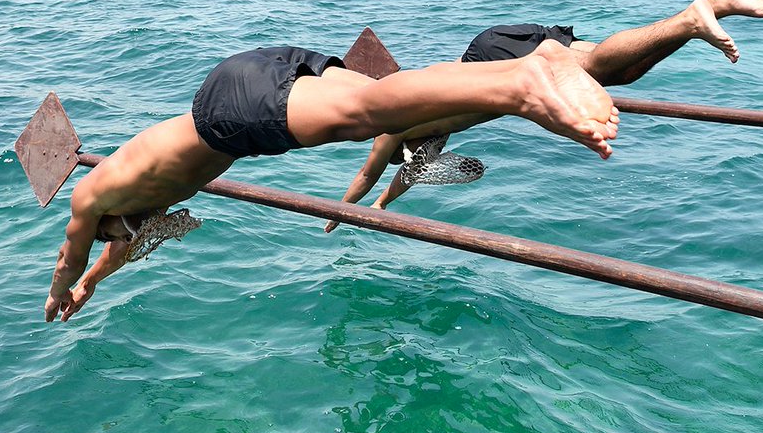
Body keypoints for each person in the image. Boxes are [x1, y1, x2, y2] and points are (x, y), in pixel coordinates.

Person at [45, 42, 620, 322]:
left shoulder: (90, 197)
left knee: (365, 116)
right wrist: (94, 283)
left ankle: (521, 84)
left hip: (227, 117)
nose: (132, 234)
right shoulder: (130, 201)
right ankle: (539, 63)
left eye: (117, 233)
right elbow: (114, 250)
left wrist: (60, 292)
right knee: (385, 105)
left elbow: (69, 255)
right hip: (243, 79)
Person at [324, 0, 763, 231]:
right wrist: (380, 206)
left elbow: (369, 174)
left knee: (602, 70)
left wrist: (340, 214)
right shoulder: (422, 129)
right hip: (493, 47)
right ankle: (718, 3)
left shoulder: (391, 125)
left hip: (492, 60)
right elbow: (403, 179)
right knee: (619, 68)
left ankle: (693, 19)